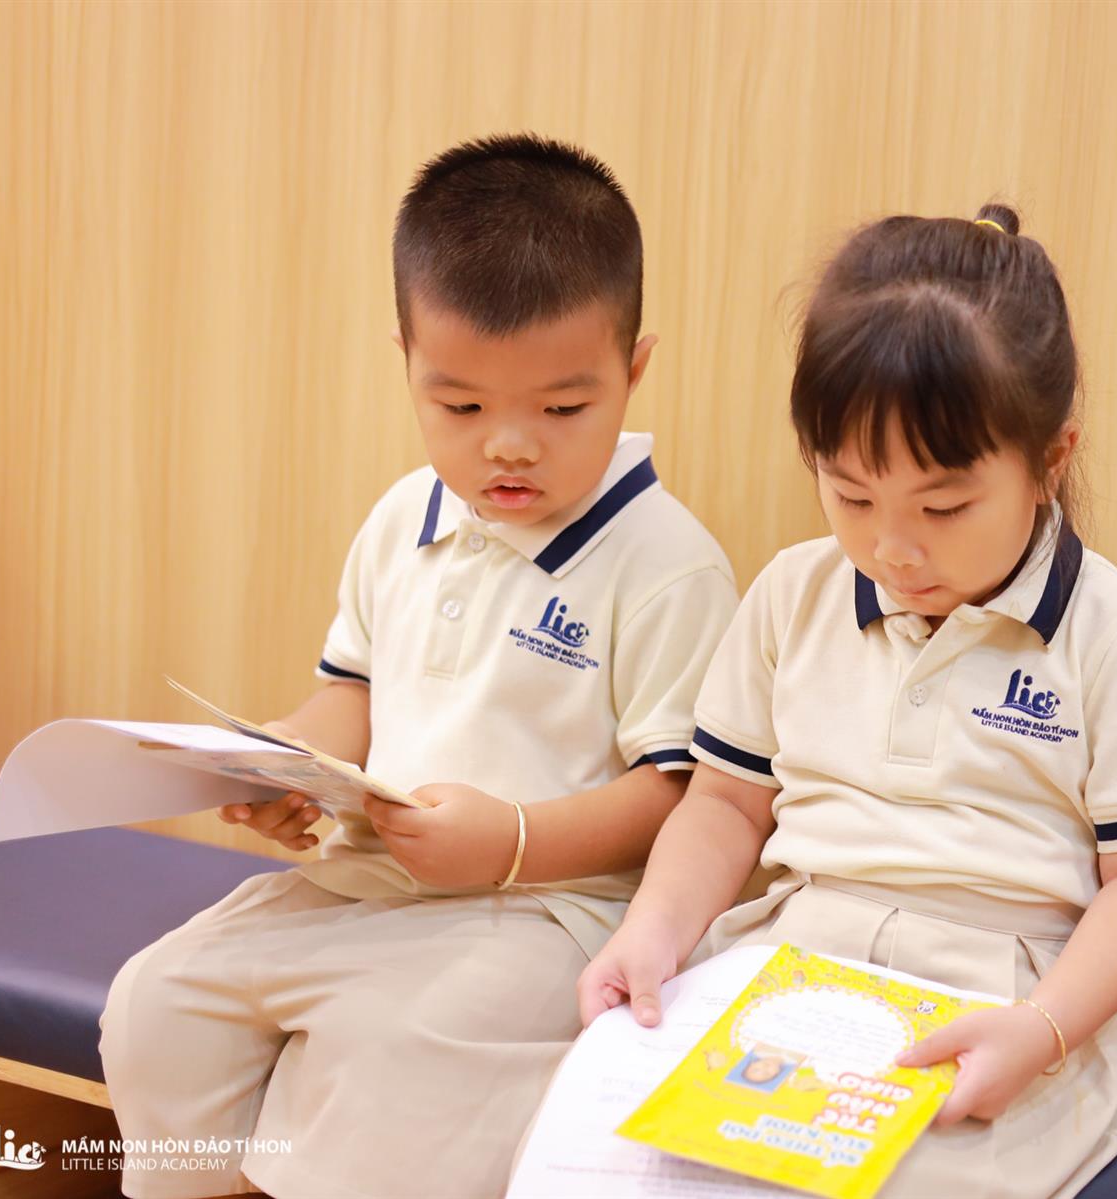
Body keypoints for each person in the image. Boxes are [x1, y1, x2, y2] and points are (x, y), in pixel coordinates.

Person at [100, 134, 737, 1199]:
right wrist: (288, 763)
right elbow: (352, 690)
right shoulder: (405, 516)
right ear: (407, 361)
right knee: (156, 1002)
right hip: (365, 881)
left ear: (633, 369)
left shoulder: (670, 566)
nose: (510, 445)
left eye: (562, 408)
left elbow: (678, 794)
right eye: (463, 406)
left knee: (399, 1050)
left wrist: (512, 838)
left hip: (554, 911)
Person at [577, 203, 1117, 1198]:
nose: (893, 548)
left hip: (1003, 1006)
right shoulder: (793, 593)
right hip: (792, 963)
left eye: (944, 506)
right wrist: (653, 932)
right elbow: (726, 804)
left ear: (1050, 460)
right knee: (614, 1158)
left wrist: (1042, 1027)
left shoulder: (1115, 634)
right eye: (851, 495)